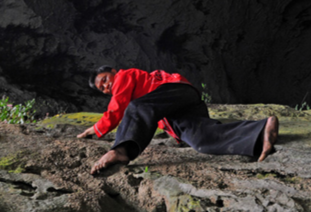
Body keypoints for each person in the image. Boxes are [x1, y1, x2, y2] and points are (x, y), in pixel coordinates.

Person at [77, 66, 279, 175]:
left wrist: (95, 129)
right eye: (102, 88)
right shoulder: (147, 102)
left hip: (175, 91)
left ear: (113, 71)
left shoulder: (124, 76)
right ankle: (260, 131)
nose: (106, 86)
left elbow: (117, 108)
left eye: (105, 79)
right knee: (201, 141)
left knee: (136, 107)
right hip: (178, 110)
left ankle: (120, 152)